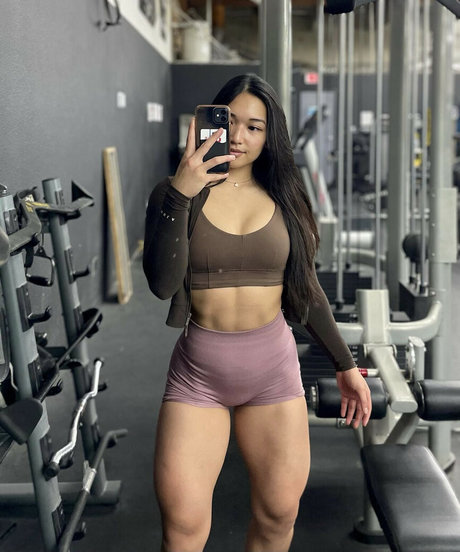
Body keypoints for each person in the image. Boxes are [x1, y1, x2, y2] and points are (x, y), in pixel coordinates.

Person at [143, 73, 372, 552]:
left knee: (278, 515)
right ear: (211, 123)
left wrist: (345, 365)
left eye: (255, 127)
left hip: (273, 374)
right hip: (199, 377)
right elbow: (162, 284)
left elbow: (306, 290)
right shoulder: (173, 194)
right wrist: (183, 191)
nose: (240, 136)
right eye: (230, 122)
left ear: (270, 137)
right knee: (182, 529)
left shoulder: (286, 197)